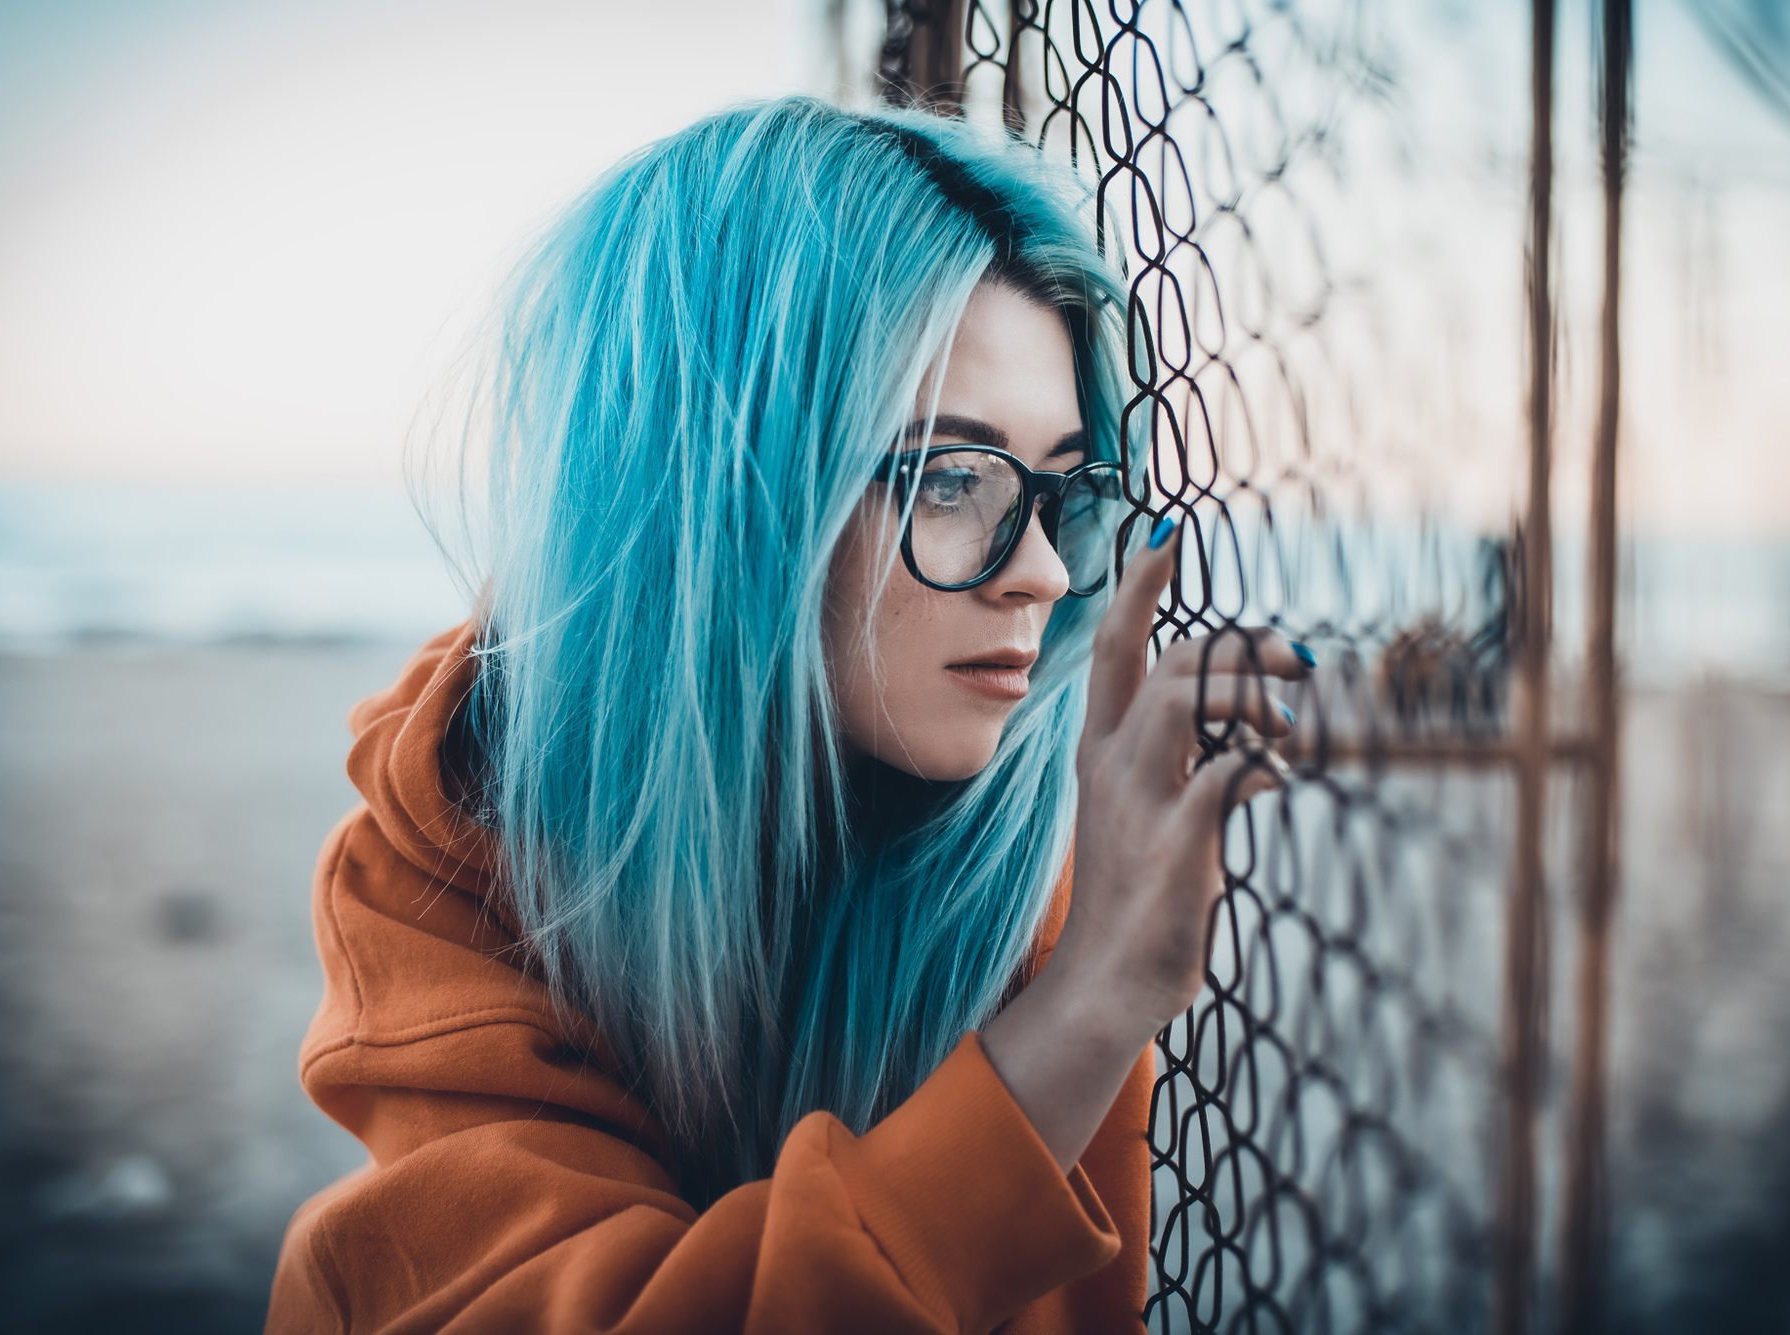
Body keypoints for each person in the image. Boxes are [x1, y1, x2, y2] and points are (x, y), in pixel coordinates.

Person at [265, 94, 1308, 1333]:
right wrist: (1084, 1012)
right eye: (950, 478)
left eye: (1061, 490)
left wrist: (1082, 980)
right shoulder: (448, 866)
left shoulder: (1046, 861)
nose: (1034, 569)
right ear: (721, 497)